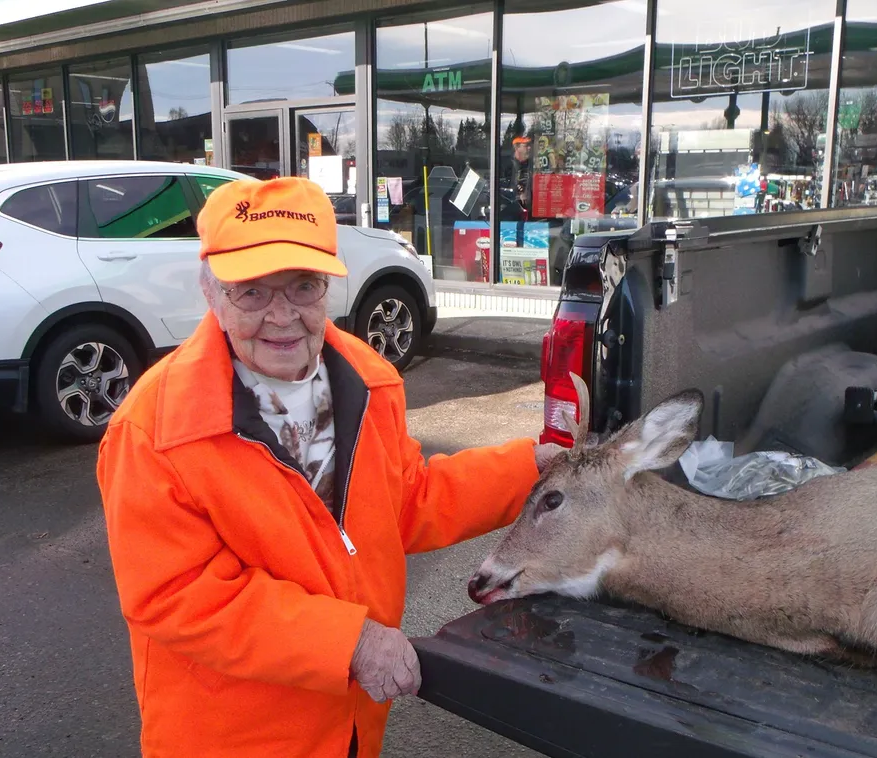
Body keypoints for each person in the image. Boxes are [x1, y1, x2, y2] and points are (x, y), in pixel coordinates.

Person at [96, 176, 563, 758]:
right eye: (252, 292)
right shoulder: (156, 428)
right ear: (210, 292)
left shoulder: (368, 380)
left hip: (349, 724)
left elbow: (407, 501)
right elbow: (175, 593)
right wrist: (350, 644)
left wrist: (534, 469)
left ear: (328, 289)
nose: (283, 315)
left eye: (303, 286)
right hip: (234, 736)